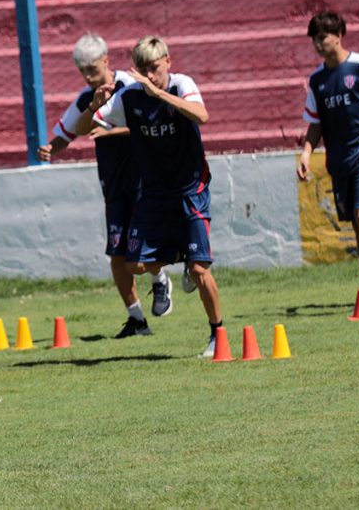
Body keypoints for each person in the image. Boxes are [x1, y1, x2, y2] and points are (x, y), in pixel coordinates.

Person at [75, 35, 226, 357]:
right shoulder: (129, 96)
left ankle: (218, 334)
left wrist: (159, 94)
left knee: (201, 271)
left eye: (154, 68)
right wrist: (94, 105)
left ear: (168, 62)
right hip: (154, 194)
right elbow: (82, 128)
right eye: (142, 69)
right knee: (135, 264)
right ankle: (178, 265)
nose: (148, 75)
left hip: (190, 189)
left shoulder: (181, 84)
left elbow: (202, 116)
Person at [38, 34, 170, 339]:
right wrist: (51, 148)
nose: (87, 76)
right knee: (117, 255)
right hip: (112, 184)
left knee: (138, 257)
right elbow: (69, 131)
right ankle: (137, 320)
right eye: (82, 71)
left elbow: (152, 123)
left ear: (106, 60)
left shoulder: (131, 85)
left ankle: (159, 278)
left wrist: (113, 132)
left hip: (143, 179)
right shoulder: (87, 97)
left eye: (92, 69)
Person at [299, 12, 359, 310]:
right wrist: (306, 153)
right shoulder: (317, 80)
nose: (317, 44)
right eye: (314, 39)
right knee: (355, 223)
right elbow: (314, 124)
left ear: (338, 35)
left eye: (322, 37)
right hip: (339, 159)